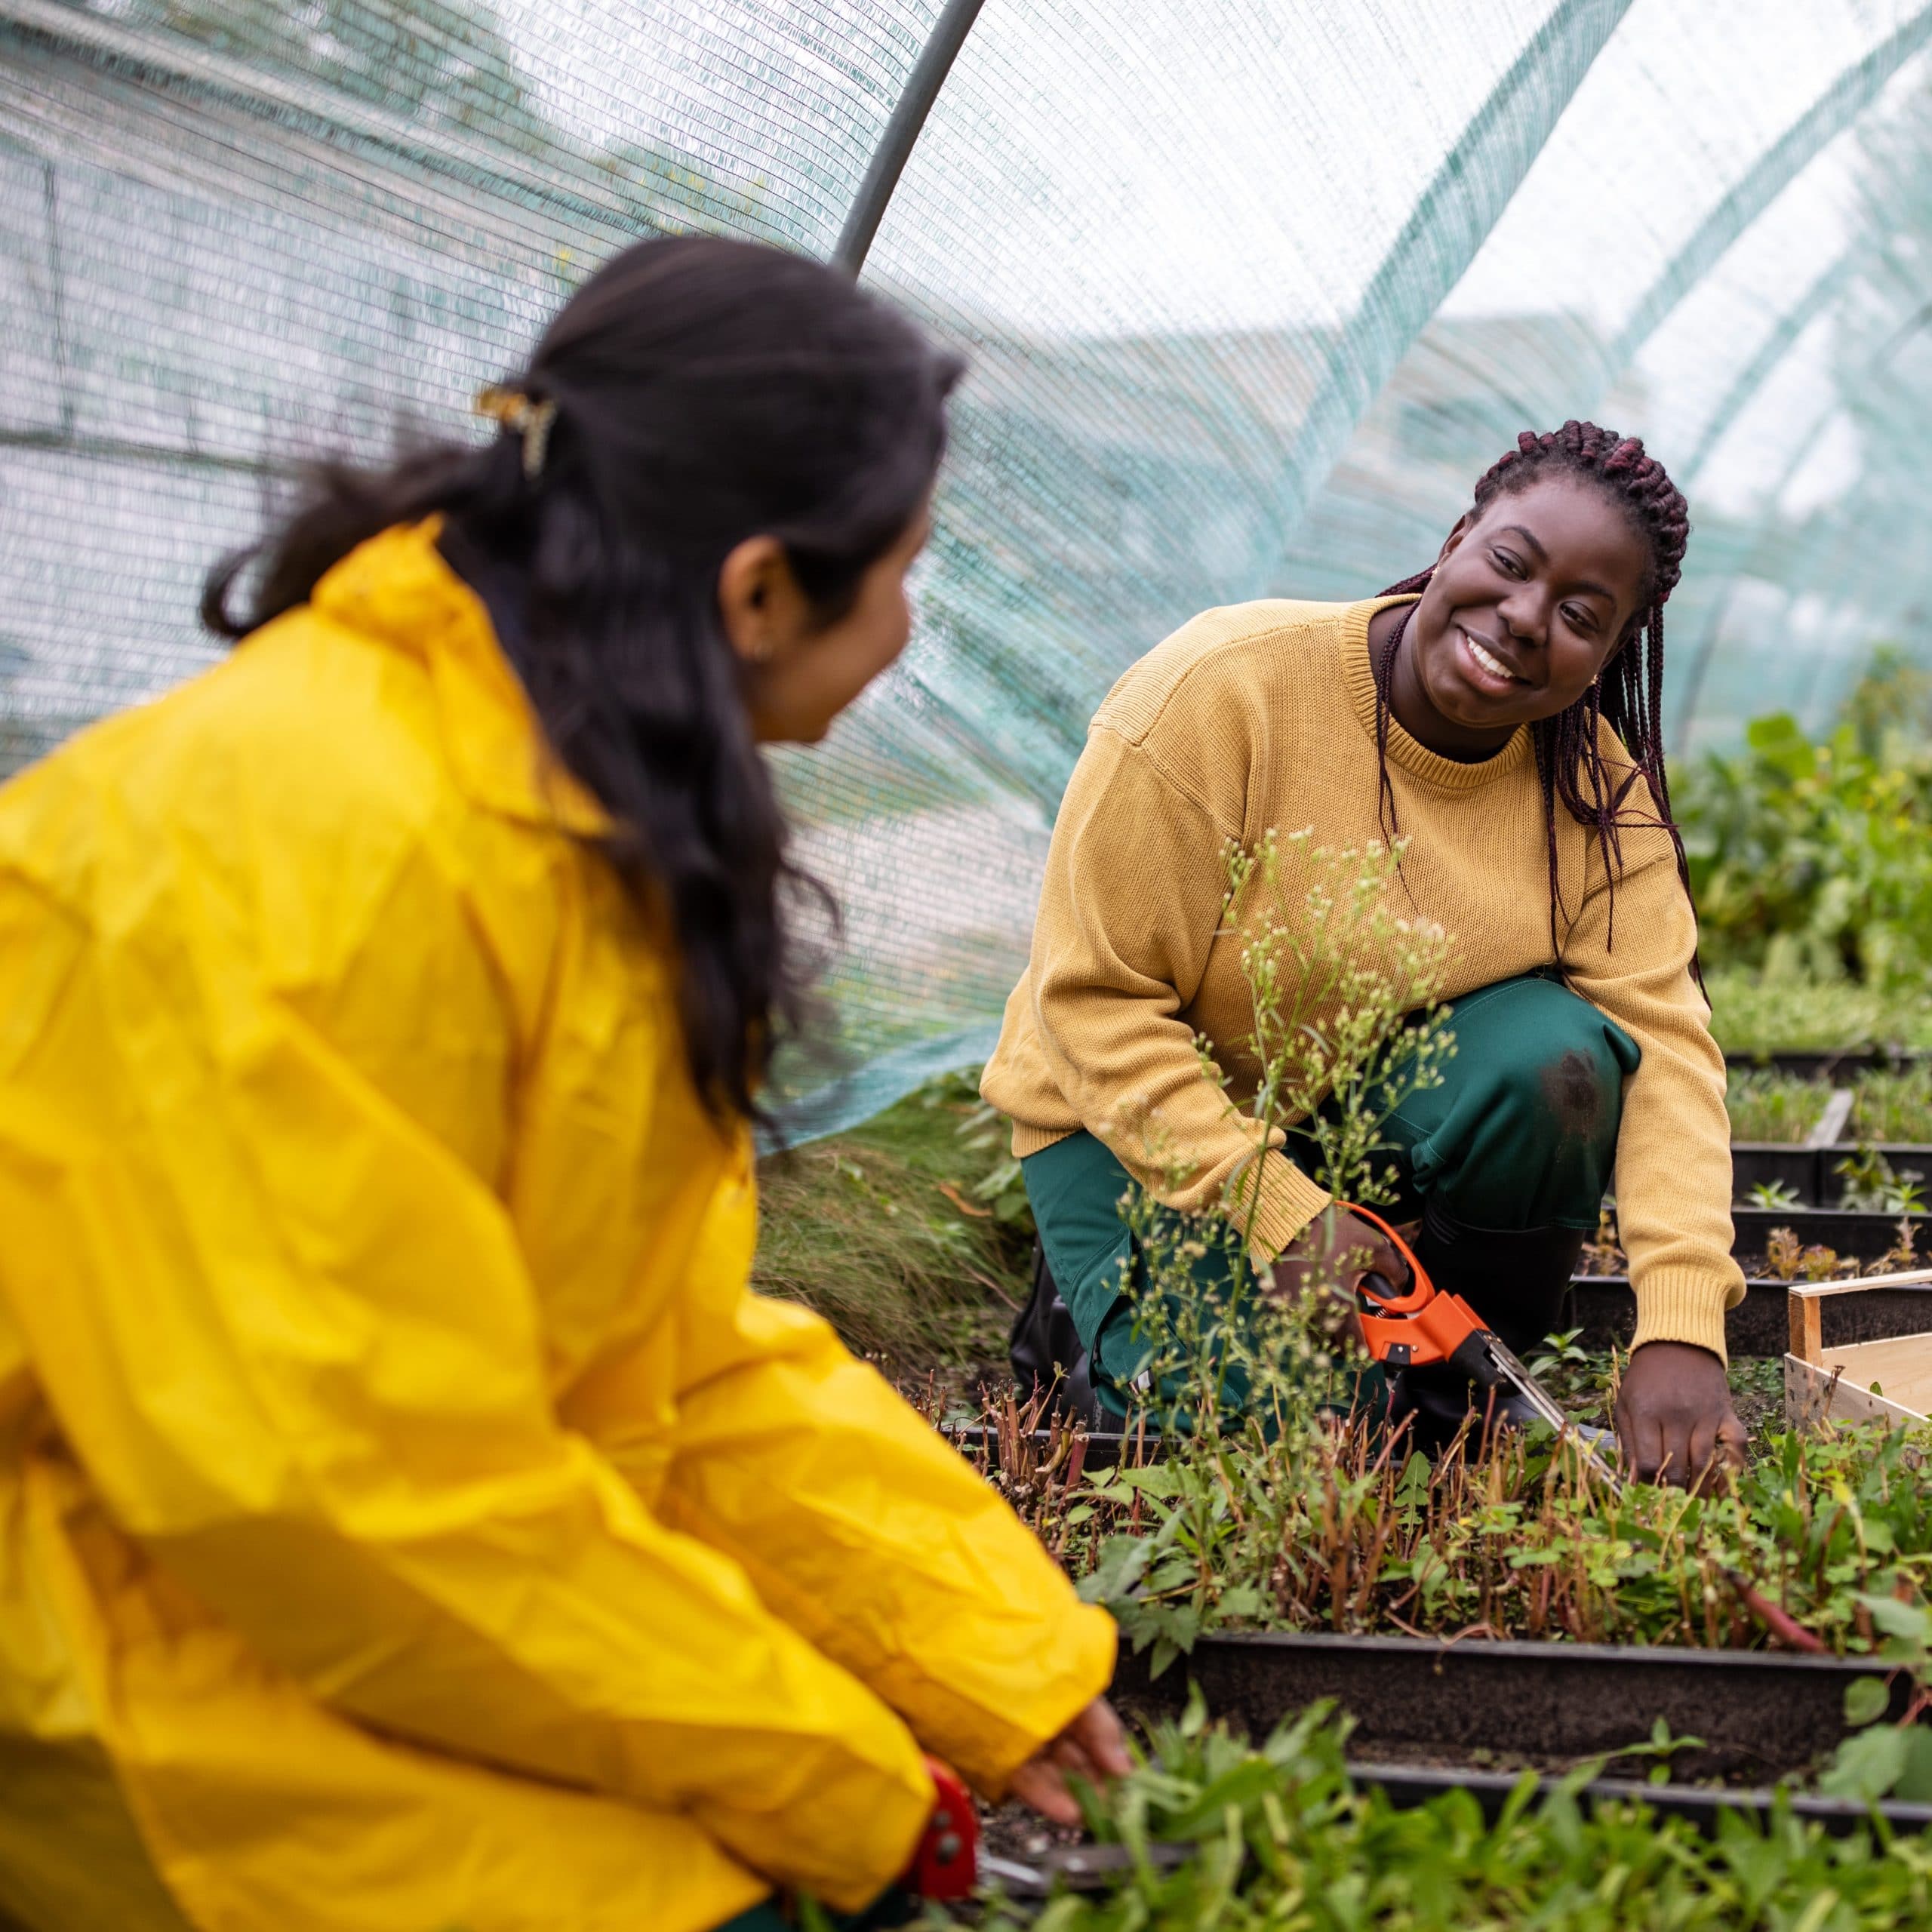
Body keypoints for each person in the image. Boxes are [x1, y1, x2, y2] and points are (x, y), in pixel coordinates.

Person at [0, 237, 1127, 1932]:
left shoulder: (557, 804)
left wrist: (992, 1652)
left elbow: (657, 1354)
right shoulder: (300, 846)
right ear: (757, 592)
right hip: (136, 1670)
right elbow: (350, 1495)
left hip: (354, 1606)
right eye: (906, 572)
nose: (910, 626)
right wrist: (835, 1773)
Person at [986, 421, 1749, 1486]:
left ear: (1612, 652)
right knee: (1290, 1440)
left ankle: (1450, 1384)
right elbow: (1090, 1002)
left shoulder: (1593, 800)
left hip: (1345, 1101)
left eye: (1582, 615)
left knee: (1559, 1060)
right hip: (1124, 1121)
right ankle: (1087, 1320)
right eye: (1511, 563)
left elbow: (1664, 1051)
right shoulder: (1224, 692)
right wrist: (1281, 1213)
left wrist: (1682, 1323)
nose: (1525, 618)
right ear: (1455, 539)